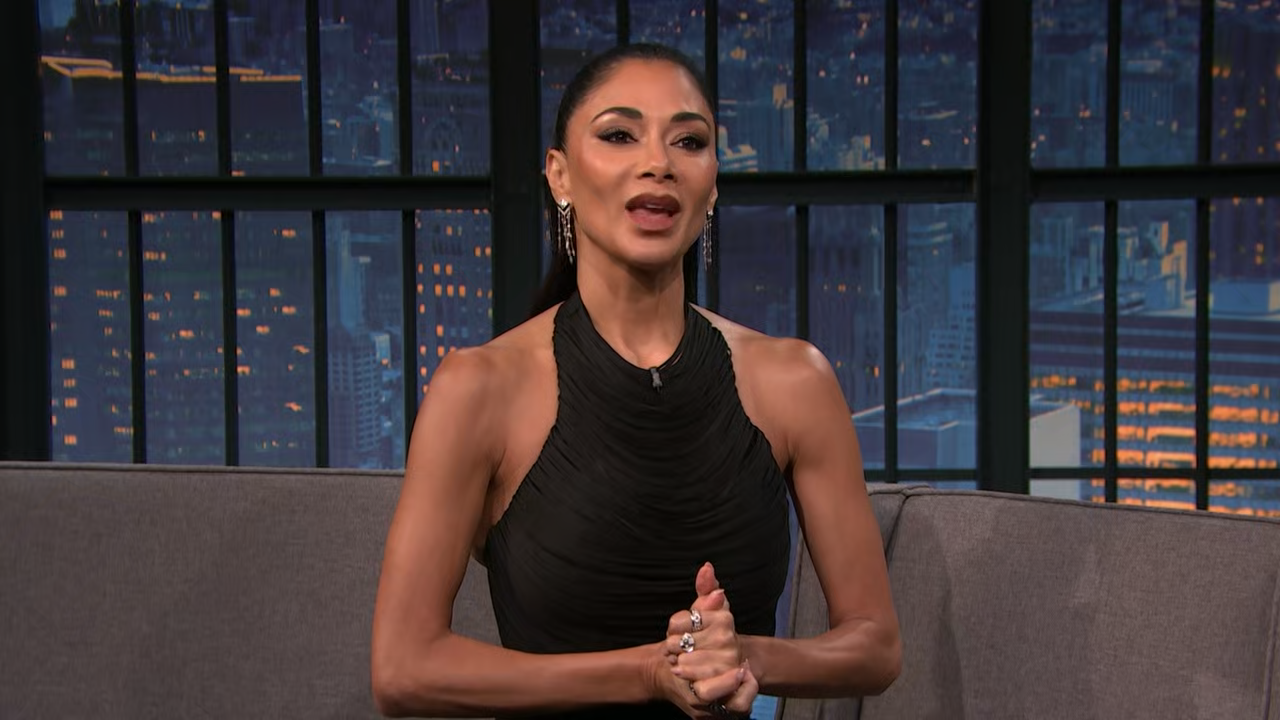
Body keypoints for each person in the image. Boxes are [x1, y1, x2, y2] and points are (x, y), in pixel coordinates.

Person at [370, 42, 900, 719]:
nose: (659, 163)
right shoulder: (478, 389)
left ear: (713, 184)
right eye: (620, 135)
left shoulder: (795, 381)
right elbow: (404, 668)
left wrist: (747, 657)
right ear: (560, 175)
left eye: (689, 141)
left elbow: (876, 645)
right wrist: (649, 672)